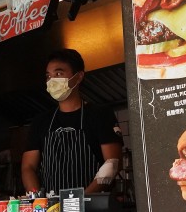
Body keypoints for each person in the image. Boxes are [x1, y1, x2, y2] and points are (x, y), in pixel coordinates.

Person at [22, 49, 123, 195]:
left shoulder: (100, 114)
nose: (52, 81)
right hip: (51, 210)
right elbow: (28, 167)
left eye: (58, 74)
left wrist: (81, 200)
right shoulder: (41, 121)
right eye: (48, 76)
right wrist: (38, 199)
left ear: (79, 76)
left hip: (91, 207)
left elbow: (113, 164)